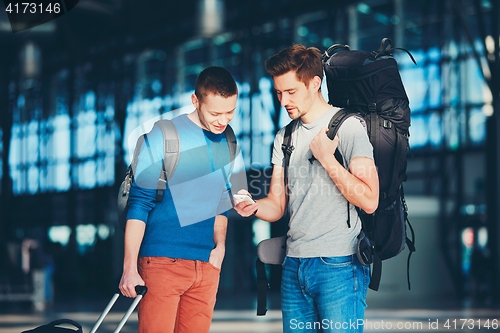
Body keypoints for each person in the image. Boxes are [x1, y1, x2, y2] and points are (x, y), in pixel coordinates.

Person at [234, 45, 379, 332]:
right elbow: (277, 205)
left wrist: (327, 158)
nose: (283, 101)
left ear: (314, 83)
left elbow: (370, 199)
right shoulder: (283, 137)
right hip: (293, 266)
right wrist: (253, 206)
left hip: (338, 264)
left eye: (291, 92)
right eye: (278, 93)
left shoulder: (348, 127)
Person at [119, 66, 238, 333]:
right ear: (195, 101)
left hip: (206, 266)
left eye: (230, 112)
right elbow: (139, 203)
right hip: (162, 263)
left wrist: (220, 247)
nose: (223, 120)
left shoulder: (228, 141)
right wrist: (129, 268)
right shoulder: (163, 135)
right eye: (215, 113)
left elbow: (222, 197)